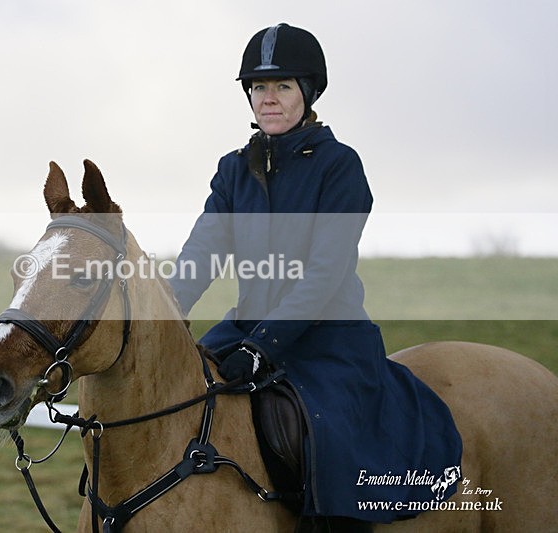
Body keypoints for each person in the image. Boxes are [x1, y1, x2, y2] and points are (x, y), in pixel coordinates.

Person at [169, 23, 462, 532]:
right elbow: (202, 251)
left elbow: (325, 274)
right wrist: (162, 314)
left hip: (328, 338)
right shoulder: (233, 169)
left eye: (283, 86)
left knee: (326, 438)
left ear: (307, 93)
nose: (269, 99)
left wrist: (265, 346)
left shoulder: (340, 167)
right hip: (245, 329)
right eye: (259, 88)